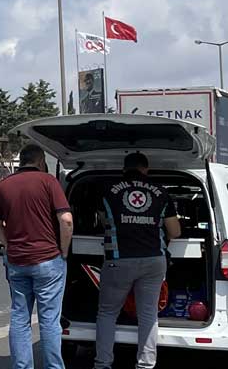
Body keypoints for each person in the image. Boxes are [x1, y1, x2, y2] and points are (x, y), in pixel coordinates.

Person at [0, 144, 73, 369]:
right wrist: (64, 251)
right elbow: (66, 220)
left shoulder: (5, 185)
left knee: (20, 318)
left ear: (21, 161)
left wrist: (8, 245)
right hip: (48, 260)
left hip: (17, 262)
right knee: (49, 320)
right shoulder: (49, 182)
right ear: (40, 161)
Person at [92, 152, 180, 369]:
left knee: (107, 313)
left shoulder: (108, 191)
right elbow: (175, 231)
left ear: (124, 169)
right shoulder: (161, 192)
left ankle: (103, 364)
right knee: (148, 314)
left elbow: (102, 221)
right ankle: (146, 364)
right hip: (153, 260)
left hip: (119, 260)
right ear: (146, 169)